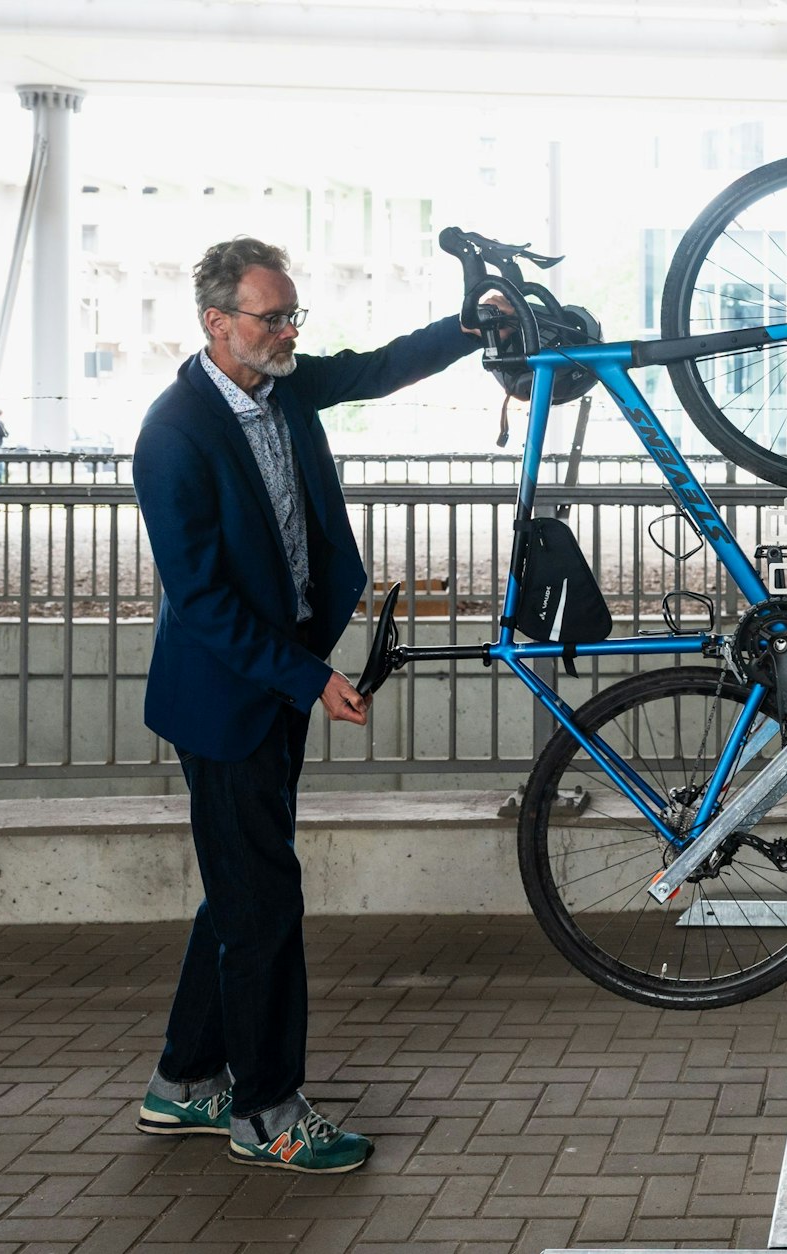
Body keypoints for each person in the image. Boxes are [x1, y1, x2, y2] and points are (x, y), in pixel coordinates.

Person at [132, 236, 499, 1174]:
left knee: (241, 888)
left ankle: (182, 1081)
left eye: (293, 314)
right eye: (272, 317)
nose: (289, 330)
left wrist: (466, 329)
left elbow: (376, 369)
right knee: (262, 903)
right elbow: (203, 602)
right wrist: (307, 679)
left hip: (280, 678)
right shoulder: (173, 435)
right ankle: (265, 1113)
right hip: (227, 699)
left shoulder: (283, 387)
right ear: (218, 323)